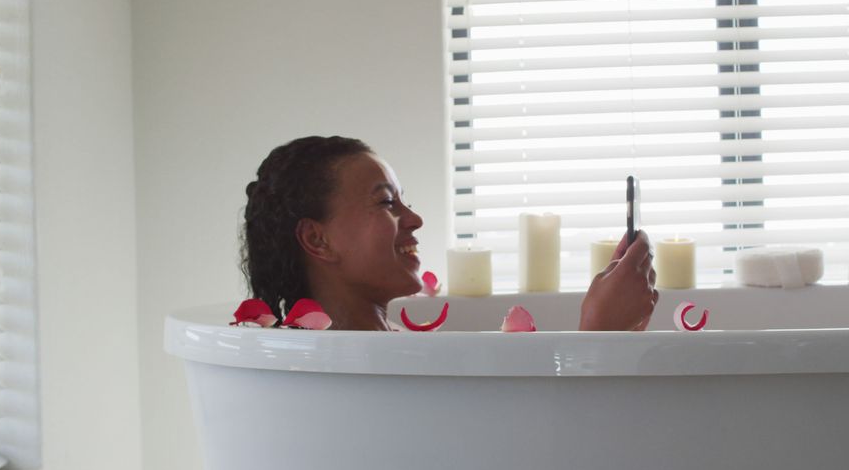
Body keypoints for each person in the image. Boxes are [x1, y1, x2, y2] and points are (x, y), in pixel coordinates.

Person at [242, 136, 658, 331]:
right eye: (387, 203)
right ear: (318, 240)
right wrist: (602, 332)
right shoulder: (343, 378)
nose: (414, 219)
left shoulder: (393, 358)